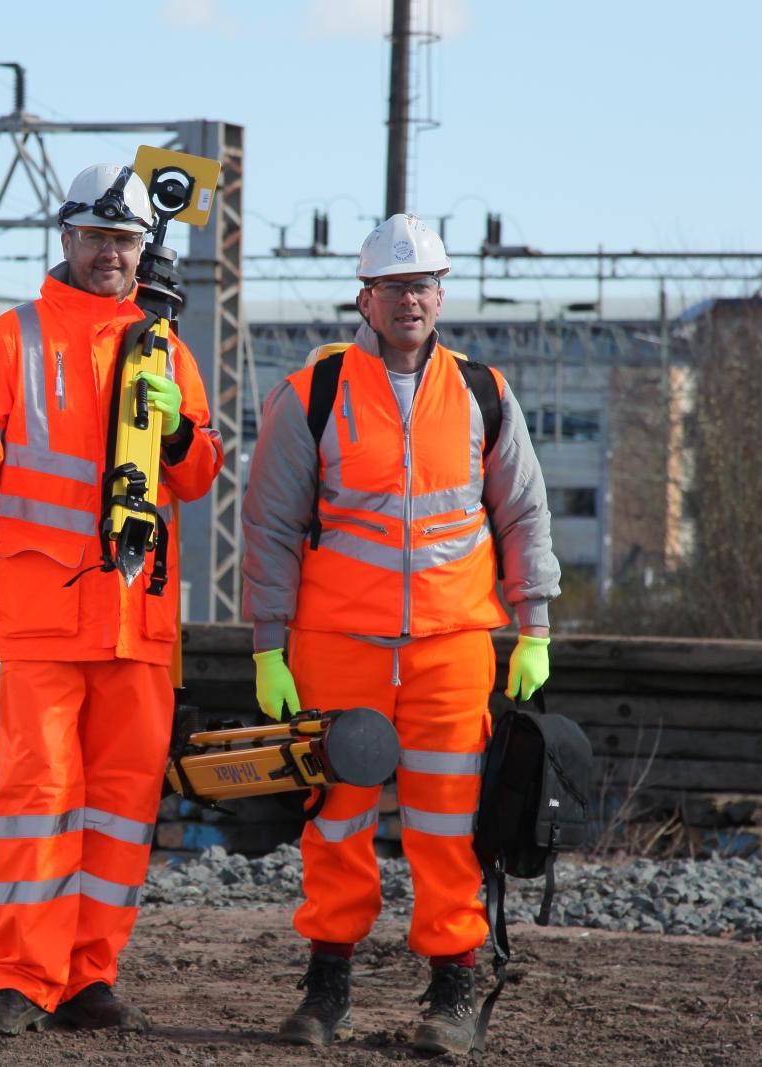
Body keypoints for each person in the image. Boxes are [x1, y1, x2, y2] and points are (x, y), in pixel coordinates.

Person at [0, 163, 223, 1037]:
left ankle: (89, 975)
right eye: (96, 238)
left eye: (125, 241)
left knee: (121, 810)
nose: (111, 253)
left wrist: (182, 424)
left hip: (139, 626)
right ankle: (22, 979)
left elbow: (197, 475)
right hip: (45, 621)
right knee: (40, 799)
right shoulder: (13, 340)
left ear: (140, 247)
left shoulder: (168, 350)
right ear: (68, 240)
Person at [240, 214, 560, 1055]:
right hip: (336, 641)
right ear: (366, 299)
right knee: (334, 818)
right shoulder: (312, 393)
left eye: (423, 284)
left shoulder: (483, 392)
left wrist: (536, 626)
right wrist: (268, 645)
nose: (410, 300)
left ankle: (452, 984)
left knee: (450, 822)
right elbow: (269, 525)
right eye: (394, 287)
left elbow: (523, 513)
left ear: (441, 294)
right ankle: (327, 984)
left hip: (452, 646)